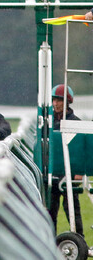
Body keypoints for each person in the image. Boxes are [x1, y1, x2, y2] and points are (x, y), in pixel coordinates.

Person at [48, 84, 84, 237]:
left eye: (59, 101)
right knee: (50, 212)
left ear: (67, 102)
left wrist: (79, 172)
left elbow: (82, 149)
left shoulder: (76, 122)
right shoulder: (47, 122)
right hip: (52, 172)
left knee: (72, 209)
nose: (55, 104)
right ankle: (48, 242)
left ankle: (79, 239)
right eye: (54, 100)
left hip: (70, 173)